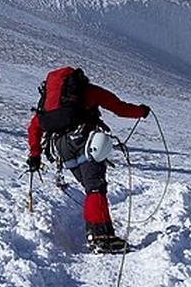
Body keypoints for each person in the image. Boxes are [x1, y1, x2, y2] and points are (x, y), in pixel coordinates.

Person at [25, 67, 150, 253]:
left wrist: (34, 155)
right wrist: (141, 111)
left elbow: (35, 127)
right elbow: (119, 107)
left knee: (91, 188)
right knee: (95, 187)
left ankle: (101, 231)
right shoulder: (86, 92)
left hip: (63, 149)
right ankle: (100, 237)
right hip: (85, 140)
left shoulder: (49, 103)